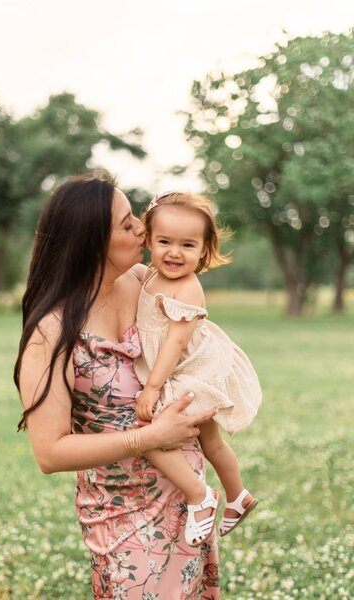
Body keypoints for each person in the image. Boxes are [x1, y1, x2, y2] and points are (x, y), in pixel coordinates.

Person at [14, 174, 221, 599]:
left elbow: (198, 348)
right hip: (122, 513)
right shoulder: (50, 332)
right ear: (92, 242)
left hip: (187, 498)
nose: (143, 231)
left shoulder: (146, 283)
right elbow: (49, 452)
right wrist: (148, 436)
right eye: (127, 225)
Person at [133, 191, 262, 546]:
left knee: (149, 435)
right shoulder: (148, 275)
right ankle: (238, 496)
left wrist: (153, 388)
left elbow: (174, 344)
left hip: (188, 371)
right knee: (210, 442)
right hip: (182, 368)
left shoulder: (188, 289)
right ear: (147, 239)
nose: (175, 253)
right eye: (164, 242)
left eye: (188, 245)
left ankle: (199, 496)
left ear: (203, 250)